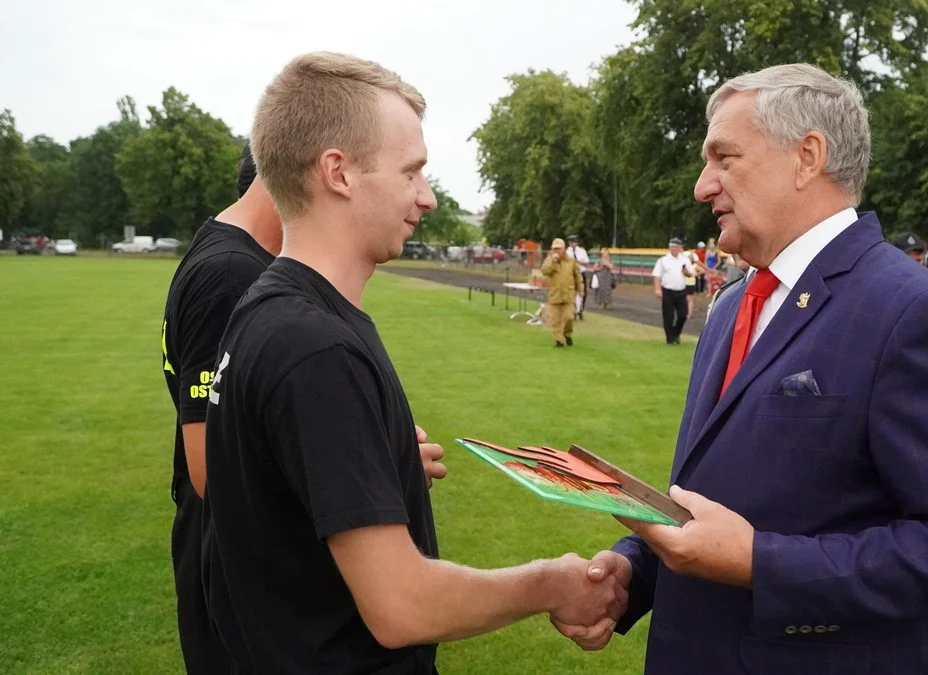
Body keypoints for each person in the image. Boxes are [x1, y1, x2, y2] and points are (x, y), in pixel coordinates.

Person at [558, 63, 928, 674]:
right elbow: (724, 492)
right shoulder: (735, 300)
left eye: (724, 158)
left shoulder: (915, 312)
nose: (703, 186)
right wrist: (638, 567)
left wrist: (762, 562)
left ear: (807, 157)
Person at [202, 52, 621, 674]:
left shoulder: (269, 311)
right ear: (338, 172)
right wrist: (551, 581)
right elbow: (402, 607)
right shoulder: (314, 347)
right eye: (412, 172)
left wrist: (381, 463)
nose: (425, 197)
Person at [159, 144, 280, 675]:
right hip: (233, 560)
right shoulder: (231, 271)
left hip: (231, 550)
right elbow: (213, 469)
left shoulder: (232, 256)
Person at [542, 237, 585, 346]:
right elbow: (545, 271)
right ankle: (559, 341)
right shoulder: (550, 260)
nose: (556, 251)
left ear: (564, 249)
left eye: (559, 249)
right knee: (555, 320)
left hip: (568, 294)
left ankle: (567, 333)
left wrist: (581, 289)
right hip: (555, 294)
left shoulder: (571, 261)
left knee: (569, 317)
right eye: (554, 249)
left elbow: (577, 276)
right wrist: (553, 261)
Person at [652, 238, 694, 345]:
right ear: (669, 248)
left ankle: (676, 333)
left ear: (680, 248)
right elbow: (657, 276)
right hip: (667, 290)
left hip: (680, 290)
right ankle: (670, 339)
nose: (674, 249)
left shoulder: (685, 260)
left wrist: (686, 272)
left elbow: (690, 274)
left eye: (676, 247)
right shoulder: (663, 260)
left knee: (683, 314)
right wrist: (657, 289)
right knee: (668, 316)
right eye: (672, 247)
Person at [566, 235, 590, 319]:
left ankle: (581, 310)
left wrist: (577, 262)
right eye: (571, 242)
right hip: (571, 273)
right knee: (572, 292)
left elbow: (586, 262)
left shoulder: (581, 251)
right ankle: (573, 310)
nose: (572, 244)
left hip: (581, 272)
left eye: (574, 242)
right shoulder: (567, 252)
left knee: (583, 292)